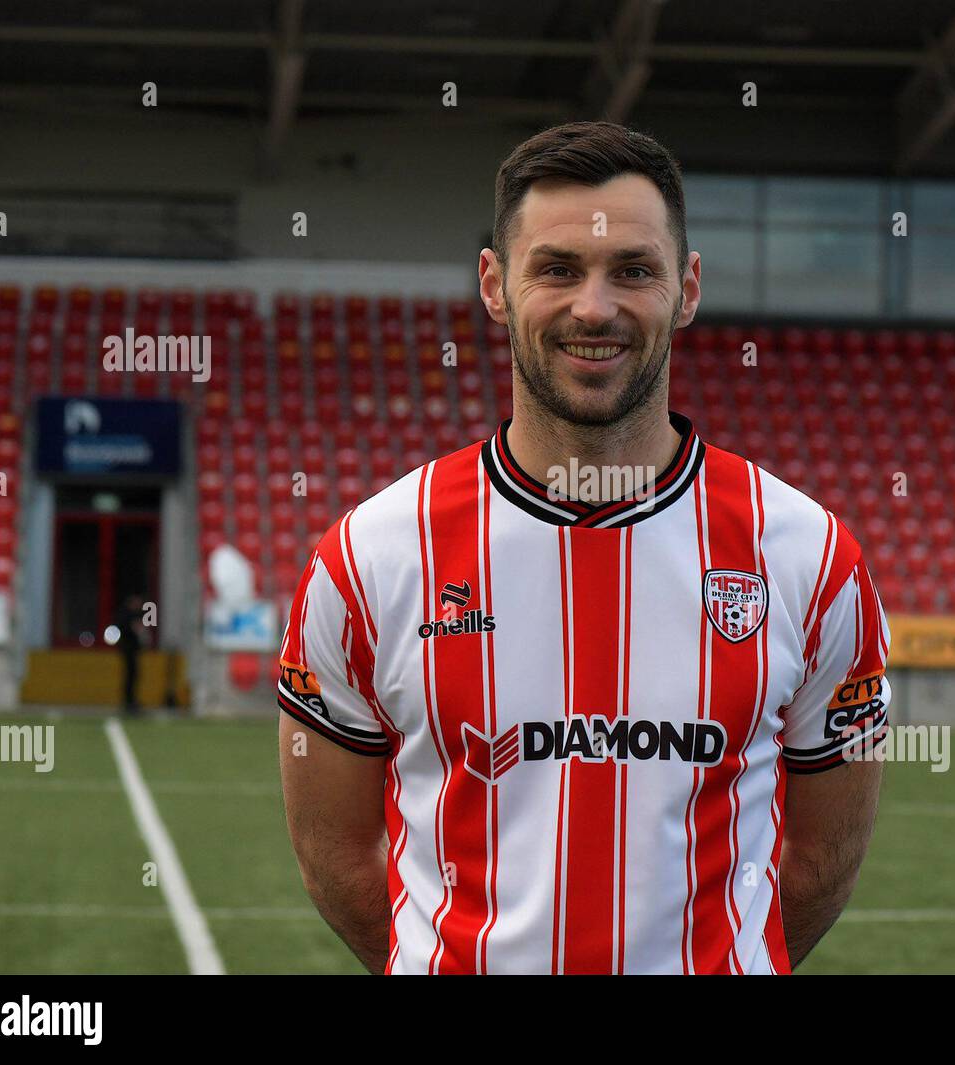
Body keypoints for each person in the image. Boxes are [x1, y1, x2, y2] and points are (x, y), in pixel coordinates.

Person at [277, 121, 891, 975]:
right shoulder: (370, 559)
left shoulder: (811, 560)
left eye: (633, 270)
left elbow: (821, 864)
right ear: (494, 285)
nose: (594, 307)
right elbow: (338, 854)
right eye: (557, 268)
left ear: (687, 288)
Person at [114, 594, 143, 716]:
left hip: (133, 650)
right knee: (130, 675)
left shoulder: (135, 615)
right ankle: (128, 701)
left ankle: (131, 700)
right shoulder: (125, 615)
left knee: (134, 675)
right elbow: (123, 629)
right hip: (128, 650)